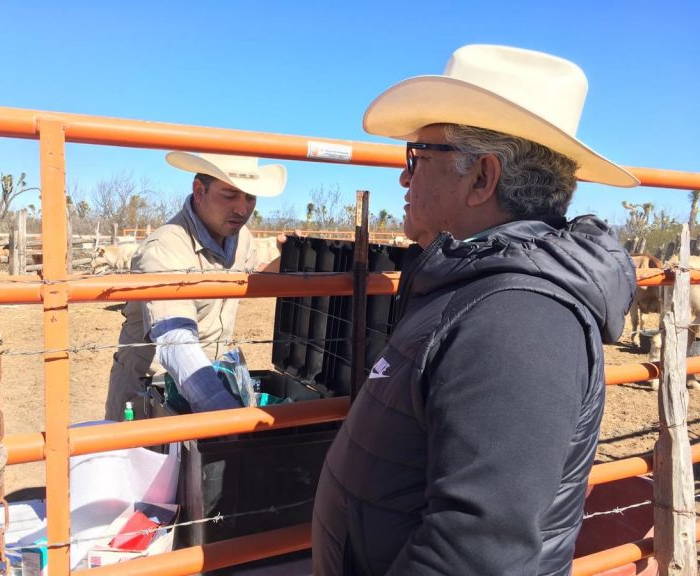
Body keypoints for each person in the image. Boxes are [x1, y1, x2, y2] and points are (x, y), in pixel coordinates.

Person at [312, 44, 638, 575]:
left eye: (416, 157)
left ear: (482, 178)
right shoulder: (477, 287)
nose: (404, 178)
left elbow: (474, 554)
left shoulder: (518, 320)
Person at [104, 152, 286, 421]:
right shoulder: (165, 248)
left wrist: (290, 257)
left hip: (208, 381)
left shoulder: (240, 237)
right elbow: (176, 341)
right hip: (152, 396)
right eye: (229, 195)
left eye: (250, 197)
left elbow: (255, 271)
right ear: (199, 191)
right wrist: (226, 413)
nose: (242, 209)